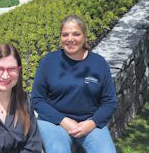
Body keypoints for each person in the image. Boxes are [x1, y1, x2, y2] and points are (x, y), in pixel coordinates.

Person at [31, 15, 117, 153]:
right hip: (54, 121)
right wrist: (63, 120)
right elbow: (37, 99)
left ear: (84, 36)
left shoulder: (99, 63)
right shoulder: (49, 61)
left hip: (89, 122)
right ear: (60, 37)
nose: (70, 39)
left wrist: (92, 123)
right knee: (57, 150)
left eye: (76, 34)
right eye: (65, 35)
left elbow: (110, 102)